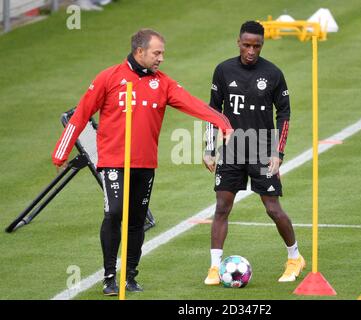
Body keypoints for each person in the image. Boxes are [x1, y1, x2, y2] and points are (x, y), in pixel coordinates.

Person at [52, 29, 233, 296]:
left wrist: (222, 122)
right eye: (156, 53)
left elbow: (192, 103)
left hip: (145, 164)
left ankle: (130, 276)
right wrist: (61, 150)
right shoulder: (109, 77)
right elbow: (81, 114)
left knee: (137, 220)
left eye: (162, 53)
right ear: (140, 52)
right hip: (113, 161)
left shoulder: (163, 83)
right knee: (114, 213)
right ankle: (109, 276)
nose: (161, 58)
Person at [203, 21, 305, 285]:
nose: (251, 50)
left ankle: (295, 257)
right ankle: (215, 267)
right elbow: (212, 110)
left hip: (262, 148)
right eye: (246, 45)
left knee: (273, 208)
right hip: (232, 148)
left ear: (262, 45)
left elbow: (284, 113)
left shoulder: (273, 73)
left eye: (256, 46)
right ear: (238, 42)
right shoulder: (223, 70)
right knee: (222, 207)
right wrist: (210, 148)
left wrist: (278, 153)